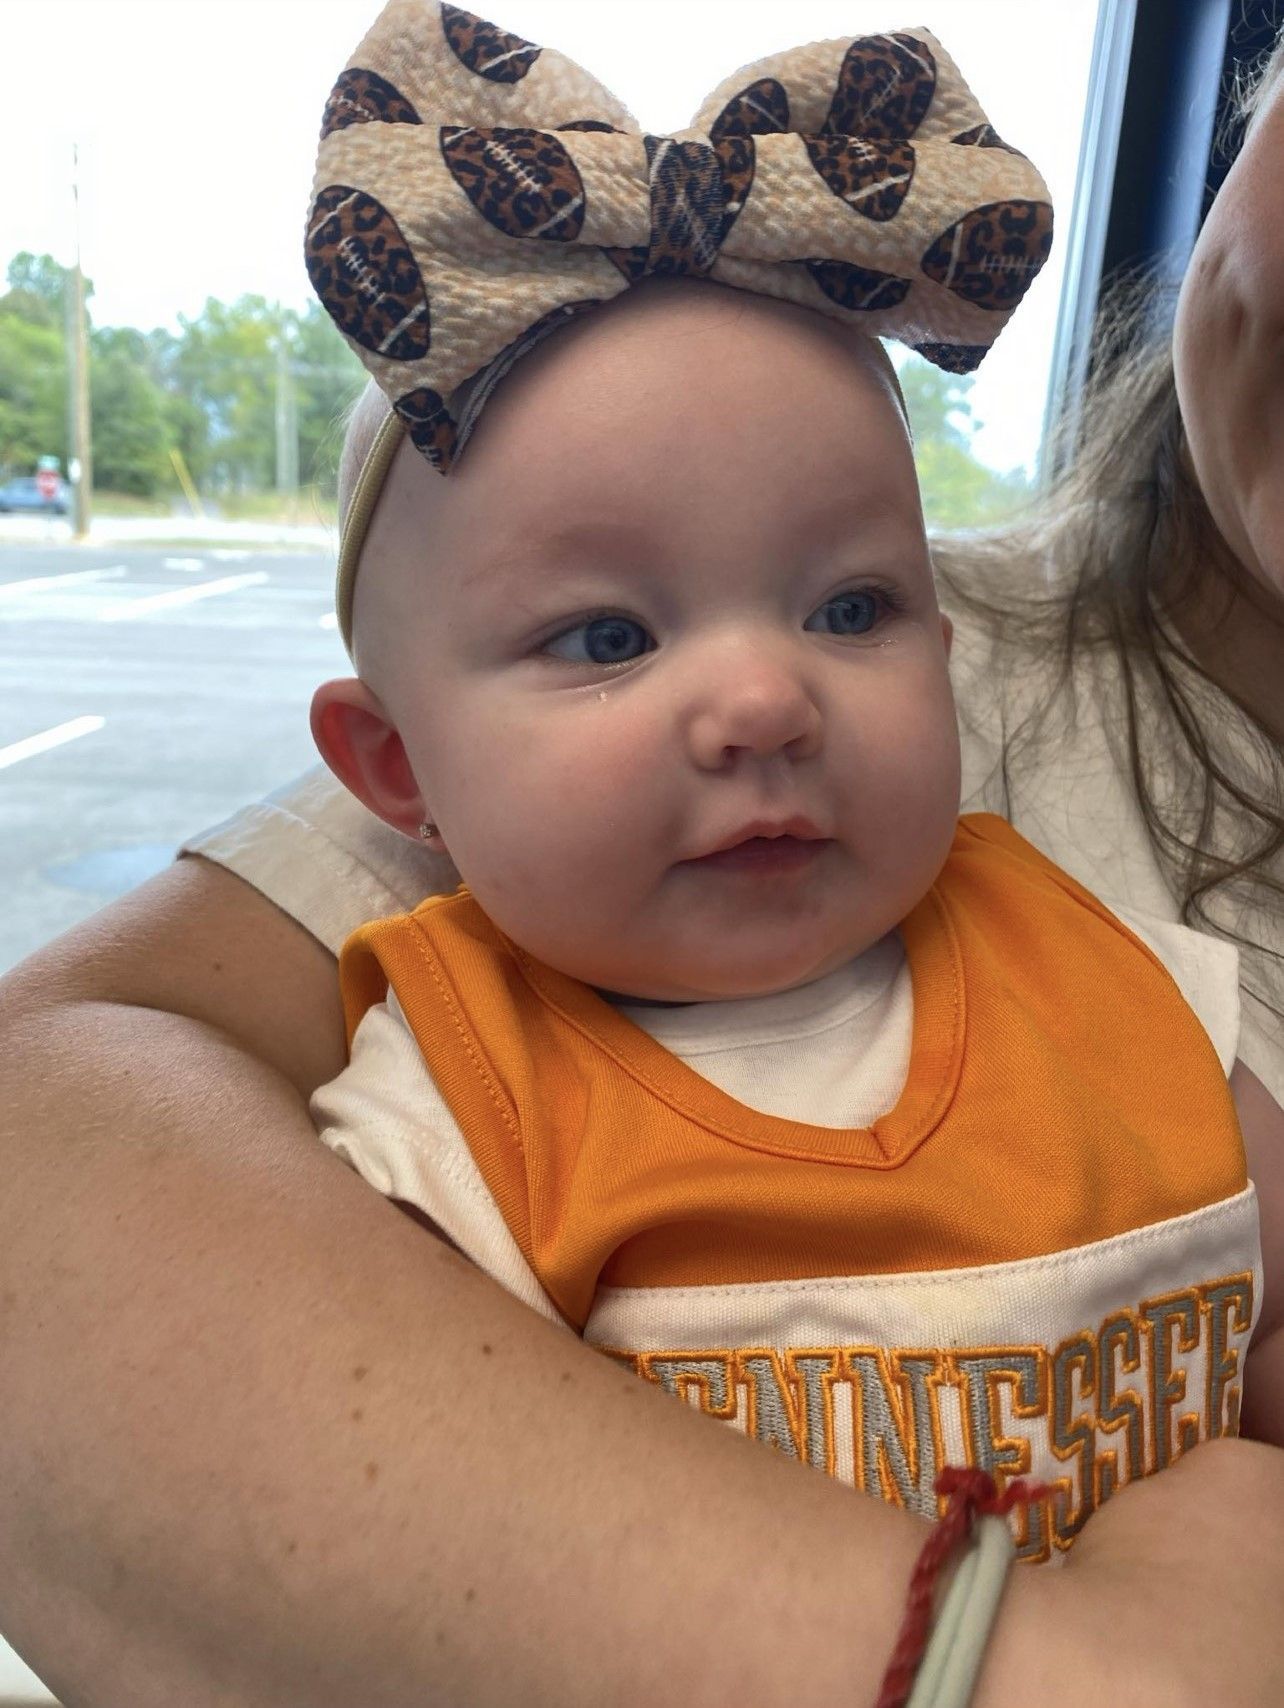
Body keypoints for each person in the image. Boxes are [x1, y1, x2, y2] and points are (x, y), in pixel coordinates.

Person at [1, 8, 1283, 1708]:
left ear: (941, 660)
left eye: (849, 610)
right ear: (399, 775)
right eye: (608, 636)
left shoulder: (1110, 975)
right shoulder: (445, 1102)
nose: (763, 696)